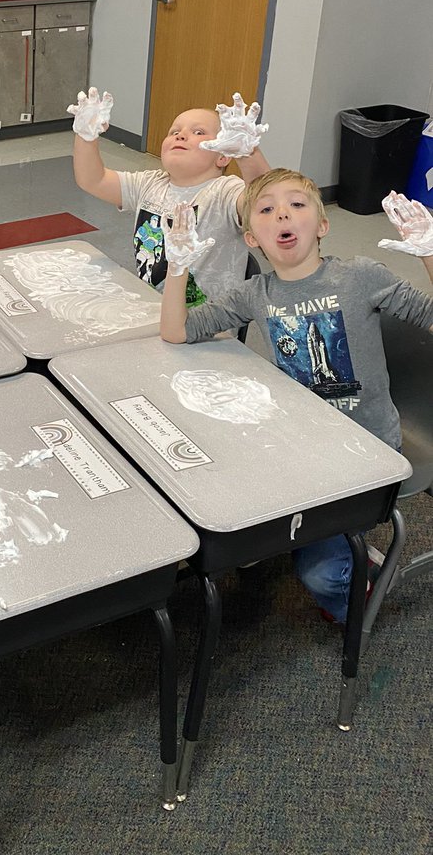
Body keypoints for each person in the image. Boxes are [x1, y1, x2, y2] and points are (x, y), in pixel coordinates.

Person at [159, 172, 433, 623]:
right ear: (251, 237)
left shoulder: (360, 277)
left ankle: (355, 589)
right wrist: (177, 267)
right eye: (266, 210)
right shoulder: (255, 293)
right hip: (297, 446)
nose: (282, 213)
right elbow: (176, 330)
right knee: (213, 492)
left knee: (323, 575)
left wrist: (428, 252)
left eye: (296, 206)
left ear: (322, 225)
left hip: (367, 453)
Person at [69, 88, 271, 305]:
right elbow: (93, 180)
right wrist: (86, 137)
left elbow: (265, 202)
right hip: (151, 312)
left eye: (199, 132)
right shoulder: (150, 183)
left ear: (223, 156)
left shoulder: (226, 192)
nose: (181, 135)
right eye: (174, 132)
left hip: (205, 326)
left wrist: (248, 155)